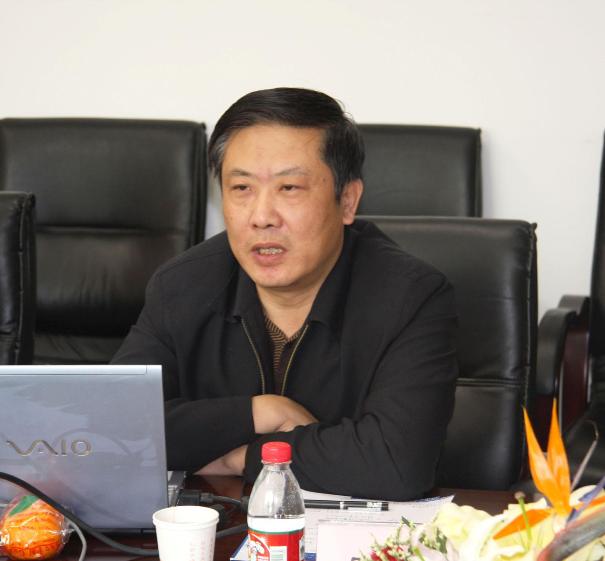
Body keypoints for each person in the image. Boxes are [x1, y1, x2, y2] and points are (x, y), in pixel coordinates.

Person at [112, 87, 458, 500]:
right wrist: (259, 412)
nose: (262, 217)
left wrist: (240, 458)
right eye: (241, 188)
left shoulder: (411, 297)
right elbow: (112, 427)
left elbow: (397, 463)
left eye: (289, 188)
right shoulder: (182, 286)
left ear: (348, 201)